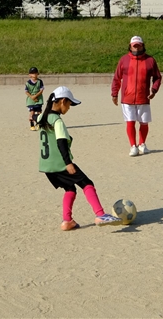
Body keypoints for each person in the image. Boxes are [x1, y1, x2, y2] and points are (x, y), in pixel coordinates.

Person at [37, 86, 122, 230]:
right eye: (69, 104)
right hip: (61, 164)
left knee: (70, 189)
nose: (69, 108)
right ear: (63, 101)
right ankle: (100, 214)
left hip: (46, 166)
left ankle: (67, 221)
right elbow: (61, 142)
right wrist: (68, 163)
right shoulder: (57, 121)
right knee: (87, 183)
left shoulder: (41, 117)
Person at [111, 35, 162, 156]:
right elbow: (117, 78)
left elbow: (157, 77)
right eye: (134, 46)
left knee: (144, 122)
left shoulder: (150, 60)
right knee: (130, 121)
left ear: (143, 46)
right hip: (127, 98)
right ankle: (133, 146)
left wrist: (154, 90)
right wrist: (114, 93)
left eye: (139, 46)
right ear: (130, 46)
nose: (137, 48)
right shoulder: (124, 60)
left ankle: (142, 144)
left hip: (143, 97)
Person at [25, 66, 45, 130]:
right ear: (29, 75)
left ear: (37, 74)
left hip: (38, 99)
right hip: (31, 100)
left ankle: (39, 124)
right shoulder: (28, 83)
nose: (34, 75)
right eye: (32, 73)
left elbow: (41, 90)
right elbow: (26, 91)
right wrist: (32, 97)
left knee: (39, 112)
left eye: (35, 73)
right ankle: (32, 125)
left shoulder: (40, 81)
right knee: (32, 112)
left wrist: (35, 96)